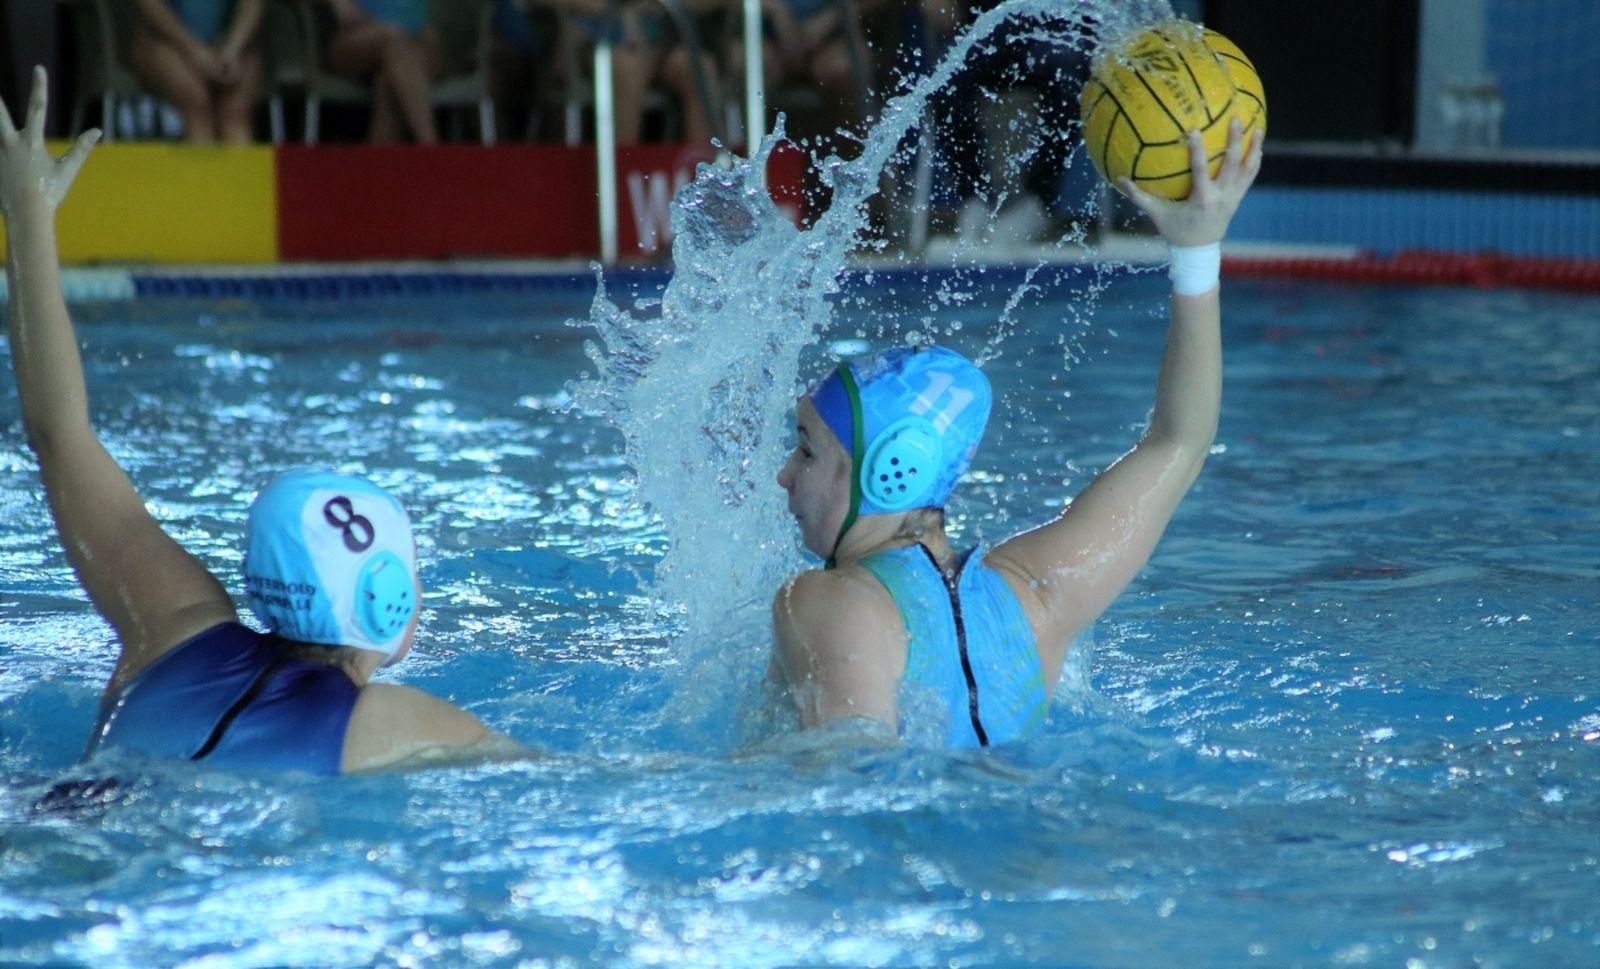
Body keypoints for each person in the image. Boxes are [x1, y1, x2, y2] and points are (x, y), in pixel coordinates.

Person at [1, 68, 524, 774]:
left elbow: (59, 435)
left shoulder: (175, 624)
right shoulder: (394, 722)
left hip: (62, 820)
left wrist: (29, 218)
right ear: (387, 601)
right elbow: (586, 786)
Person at [771, 118, 1263, 745]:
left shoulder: (819, 602)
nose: (785, 471)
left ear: (888, 468)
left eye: (808, 448)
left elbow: (851, 777)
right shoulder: (1037, 595)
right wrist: (1196, 254)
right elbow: (1180, 443)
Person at [129, 0, 265, 143]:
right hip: (168, 39)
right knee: (197, 102)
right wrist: (195, 51)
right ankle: (203, 160)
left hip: (231, 42)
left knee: (236, 113)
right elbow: (149, 6)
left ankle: (239, 163)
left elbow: (252, 4)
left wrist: (232, 50)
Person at [321, 0, 442, 143]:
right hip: (354, 42)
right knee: (392, 37)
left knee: (388, 80)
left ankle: (377, 162)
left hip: (415, 44)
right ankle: (430, 146)